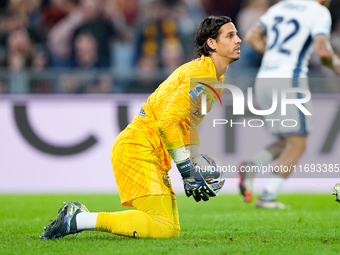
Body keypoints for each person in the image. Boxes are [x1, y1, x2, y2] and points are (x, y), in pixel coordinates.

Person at [40, 15, 241, 239]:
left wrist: (194, 163)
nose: (238, 40)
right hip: (139, 148)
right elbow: (167, 123)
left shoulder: (216, 80)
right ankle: (77, 219)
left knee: (170, 230)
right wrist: (186, 170)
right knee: (162, 228)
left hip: (149, 151)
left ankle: (77, 218)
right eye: (230, 35)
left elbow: (188, 125)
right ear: (212, 43)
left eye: (236, 34)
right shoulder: (202, 75)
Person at [239, 0, 340, 208]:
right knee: (298, 143)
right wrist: (336, 65)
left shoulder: (280, 7)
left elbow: (252, 36)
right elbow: (322, 50)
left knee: (287, 140)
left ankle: (251, 165)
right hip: (289, 80)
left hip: (264, 78)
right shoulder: (319, 11)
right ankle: (268, 196)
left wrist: (274, 57)